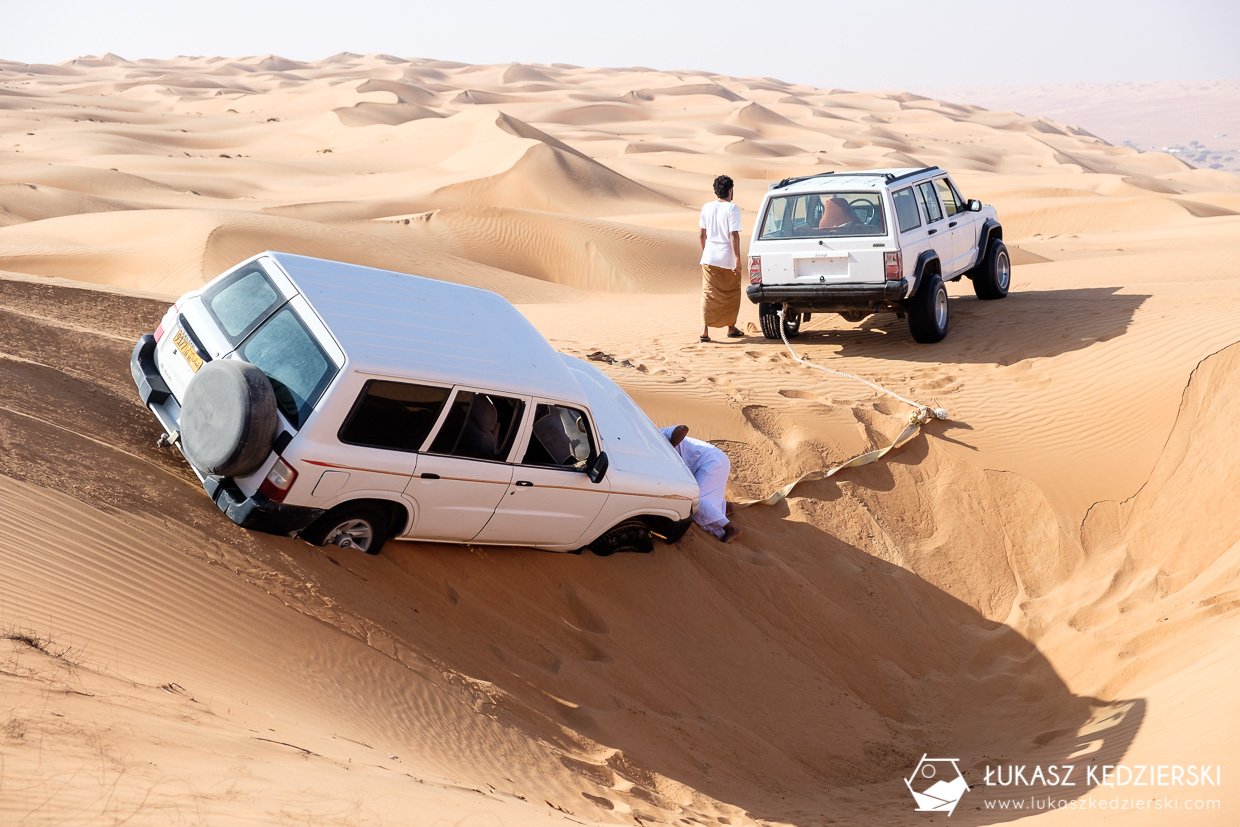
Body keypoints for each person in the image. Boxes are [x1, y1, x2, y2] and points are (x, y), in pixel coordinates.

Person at [660, 424, 741, 544]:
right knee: (693, 496)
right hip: (714, 460)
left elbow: (683, 429)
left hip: (712, 462)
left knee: (696, 501)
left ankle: (730, 528)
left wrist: (668, 451)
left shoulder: (660, 434)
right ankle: (725, 507)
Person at [698, 174, 744, 343]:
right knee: (731, 293)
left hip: (709, 256)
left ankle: (704, 329)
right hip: (727, 258)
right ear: (730, 190)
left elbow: (702, 234)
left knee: (708, 293)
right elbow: (733, 235)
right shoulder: (732, 208)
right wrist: (737, 259)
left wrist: (706, 252)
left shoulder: (706, 207)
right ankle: (731, 328)